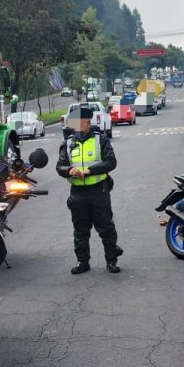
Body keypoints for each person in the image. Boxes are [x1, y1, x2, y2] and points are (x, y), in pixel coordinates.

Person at [57, 106, 123, 274]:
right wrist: (69, 171)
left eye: (84, 122)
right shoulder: (68, 143)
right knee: (80, 229)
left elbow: (111, 162)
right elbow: (60, 166)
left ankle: (111, 261)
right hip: (78, 193)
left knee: (106, 227)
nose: (82, 125)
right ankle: (82, 262)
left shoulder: (100, 140)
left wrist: (90, 171)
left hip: (98, 190)